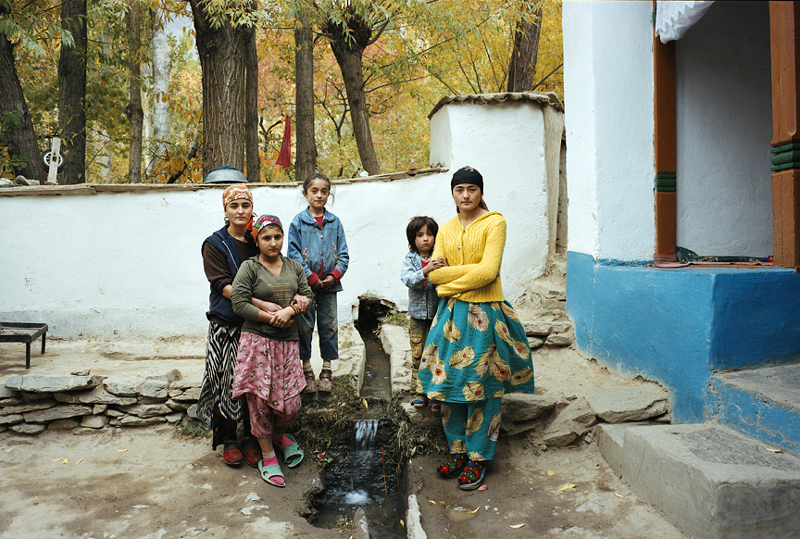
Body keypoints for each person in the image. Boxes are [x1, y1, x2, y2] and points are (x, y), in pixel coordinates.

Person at [418, 166, 535, 491]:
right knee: (450, 384)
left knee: (481, 387)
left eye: (472, 189)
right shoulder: (446, 229)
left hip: (485, 317)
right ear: (453, 193)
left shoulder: (495, 222)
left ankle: (478, 457)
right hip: (451, 318)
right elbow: (433, 275)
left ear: (480, 192)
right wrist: (445, 280)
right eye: (459, 190)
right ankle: (457, 451)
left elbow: (489, 271)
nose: (466, 195)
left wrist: (448, 283)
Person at [230, 214, 313, 488]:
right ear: (257, 239)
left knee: (291, 403)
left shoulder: (293, 266)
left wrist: (291, 309)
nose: (273, 242)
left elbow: (307, 296)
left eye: (277, 236)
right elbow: (239, 303)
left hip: (288, 343)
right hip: (258, 343)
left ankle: (279, 436)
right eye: (266, 237)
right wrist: (270, 318)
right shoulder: (249, 267)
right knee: (259, 402)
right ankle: (268, 454)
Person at [197, 183, 262, 468]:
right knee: (224, 382)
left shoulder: (257, 240)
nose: (240, 210)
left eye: (245, 205)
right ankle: (228, 439)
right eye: (234, 205)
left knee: (251, 384)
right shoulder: (214, 244)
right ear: (225, 210)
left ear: (252, 209)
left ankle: (250, 437)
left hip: (255, 326)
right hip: (226, 324)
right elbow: (223, 285)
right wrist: (261, 305)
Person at [287, 173, 349, 394]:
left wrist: (334, 275)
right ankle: (306, 369)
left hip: (330, 287)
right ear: (305, 194)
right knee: (304, 327)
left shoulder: (335, 223)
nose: (319, 195)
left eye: (324, 191)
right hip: (305, 288)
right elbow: (293, 254)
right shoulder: (298, 222)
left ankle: (327, 369)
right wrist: (310, 277)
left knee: (329, 325)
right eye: (314, 191)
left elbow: (343, 255)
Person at [400, 216, 445, 410]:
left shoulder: (441, 257)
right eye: (420, 235)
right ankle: (418, 392)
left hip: (439, 316)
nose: (425, 239)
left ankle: (436, 395)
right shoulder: (410, 259)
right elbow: (408, 280)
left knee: (438, 353)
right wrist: (425, 270)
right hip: (417, 316)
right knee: (418, 354)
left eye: (429, 234)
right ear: (412, 239)